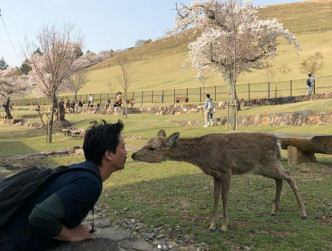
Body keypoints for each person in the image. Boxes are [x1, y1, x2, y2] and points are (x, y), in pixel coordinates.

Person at [0, 120, 127, 250]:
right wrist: (70, 234)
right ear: (109, 154)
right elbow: (40, 216)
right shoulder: (89, 184)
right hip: (11, 243)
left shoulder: (81, 171)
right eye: (123, 147)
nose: (126, 152)